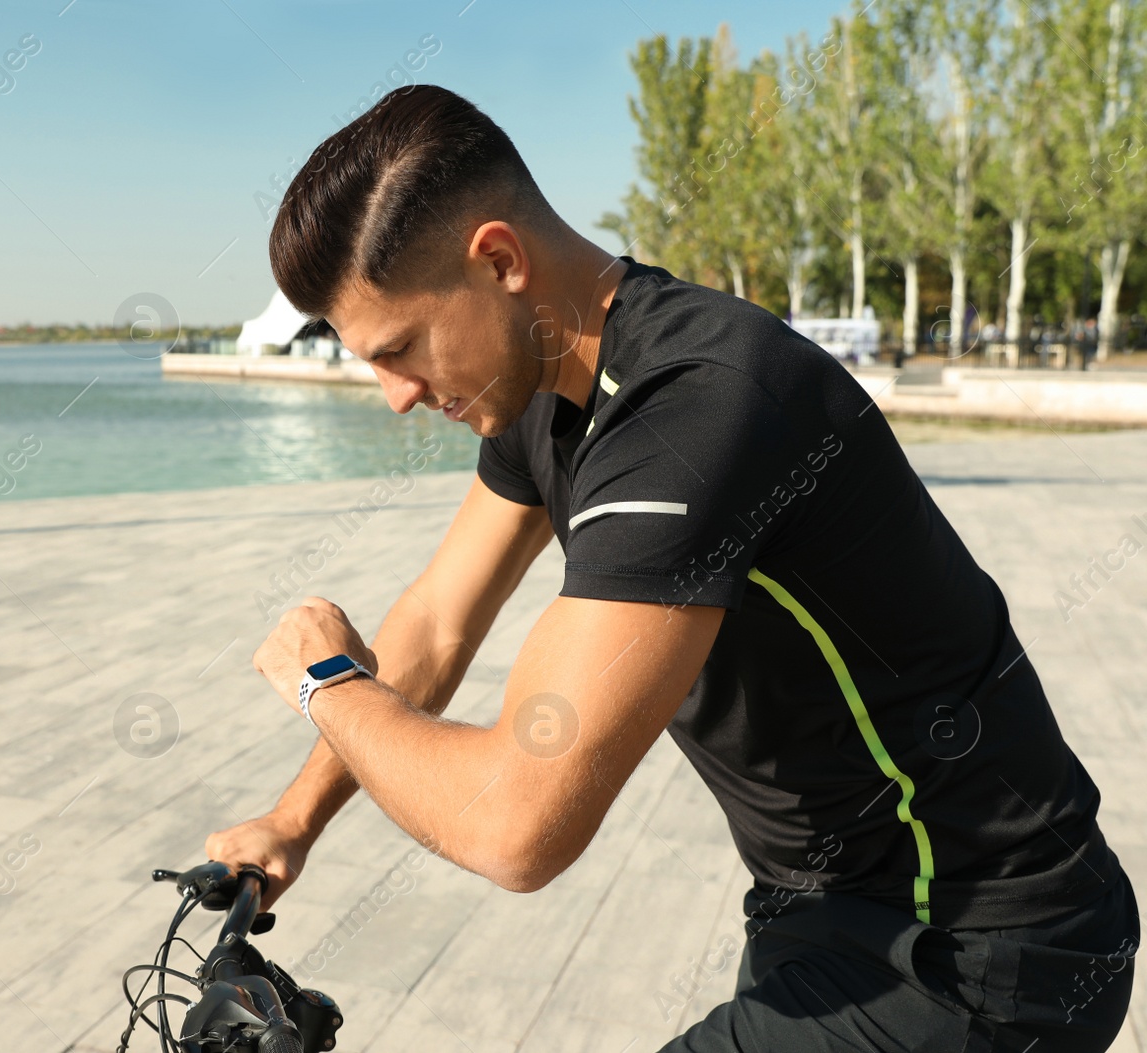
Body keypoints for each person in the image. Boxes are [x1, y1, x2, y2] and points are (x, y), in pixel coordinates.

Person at [205, 85, 1137, 1051]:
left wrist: (329, 684)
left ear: (498, 260)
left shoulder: (695, 408)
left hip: (981, 945)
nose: (394, 395)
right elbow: (441, 618)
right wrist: (294, 819)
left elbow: (520, 825)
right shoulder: (537, 384)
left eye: (397, 350)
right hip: (817, 910)